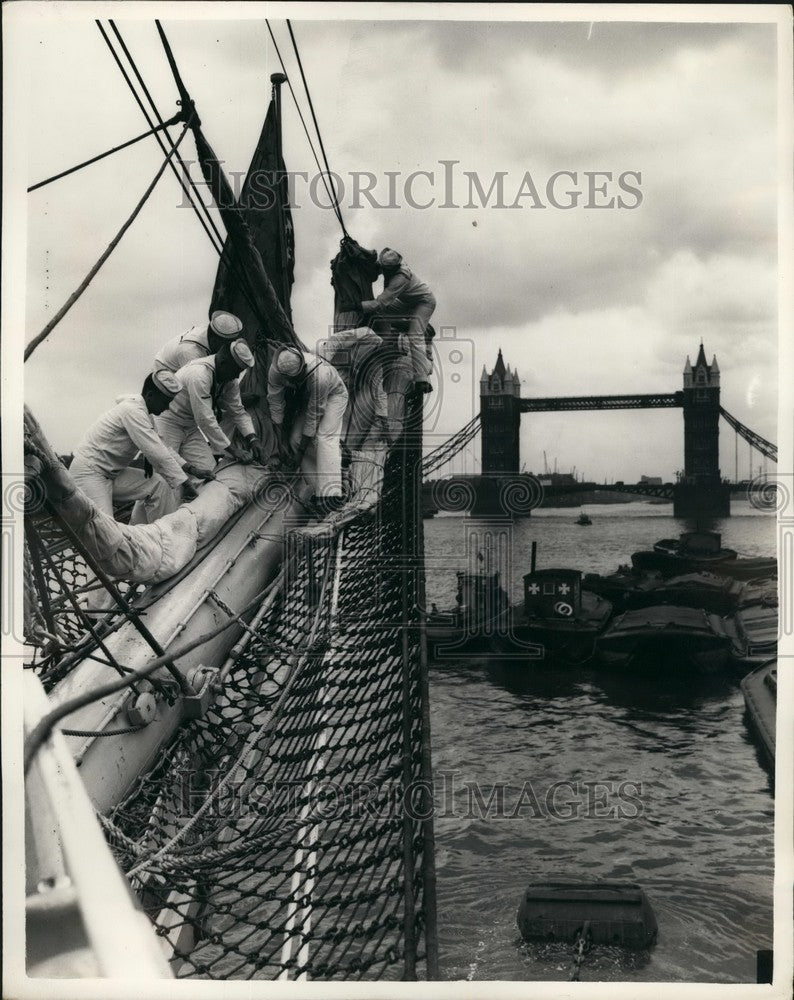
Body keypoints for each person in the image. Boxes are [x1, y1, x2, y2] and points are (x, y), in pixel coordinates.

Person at [69, 370, 215, 524]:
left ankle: (151, 533)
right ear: (150, 395)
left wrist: (192, 469)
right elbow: (157, 453)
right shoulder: (132, 411)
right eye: (165, 402)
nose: (167, 408)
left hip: (112, 474)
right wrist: (186, 483)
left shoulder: (145, 415)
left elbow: (163, 447)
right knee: (107, 531)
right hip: (89, 473)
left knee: (159, 484)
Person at [158, 339, 266, 470]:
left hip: (190, 426)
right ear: (223, 362)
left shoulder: (229, 380)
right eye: (236, 370)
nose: (237, 376)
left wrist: (253, 439)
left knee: (209, 471)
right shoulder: (199, 374)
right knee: (168, 472)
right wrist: (234, 451)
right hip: (168, 423)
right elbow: (205, 419)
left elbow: (238, 411)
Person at [267, 346, 349, 510]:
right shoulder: (277, 369)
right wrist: (281, 442)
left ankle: (331, 495)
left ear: (303, 368)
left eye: (294, 380)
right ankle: (318, 487)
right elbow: (276, 405)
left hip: (334, 395)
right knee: (295, 439)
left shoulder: (321, 376)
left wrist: (299, 456)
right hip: (309, 398)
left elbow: (313, 416)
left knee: (325, 437)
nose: (290, 384)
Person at [361, 249, 436, 393]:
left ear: (393, 268)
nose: (382, 270)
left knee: (415, 336)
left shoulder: (401, 277)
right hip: (407, 303)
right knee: (380, 311)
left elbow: (380, 303)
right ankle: (405, 326)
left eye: (384, 269)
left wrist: (357, 306)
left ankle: (421, 380)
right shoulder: (389, 263)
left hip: (424, 303)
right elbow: (375, 268)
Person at [318, 326, 389, 449]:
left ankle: (339, 440)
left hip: (341, 383)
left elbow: (379, 394)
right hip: (325, 362)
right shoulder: (367, 334)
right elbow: (336, 340)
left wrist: (385, 423)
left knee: (345, 404)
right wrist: (324, 368)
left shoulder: (377, 367)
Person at [153, 310, 244, 373]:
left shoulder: (211, 333)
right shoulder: (190, 351)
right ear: (215, 340)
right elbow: (197, 384)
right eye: (227, 343)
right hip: (166, 371)